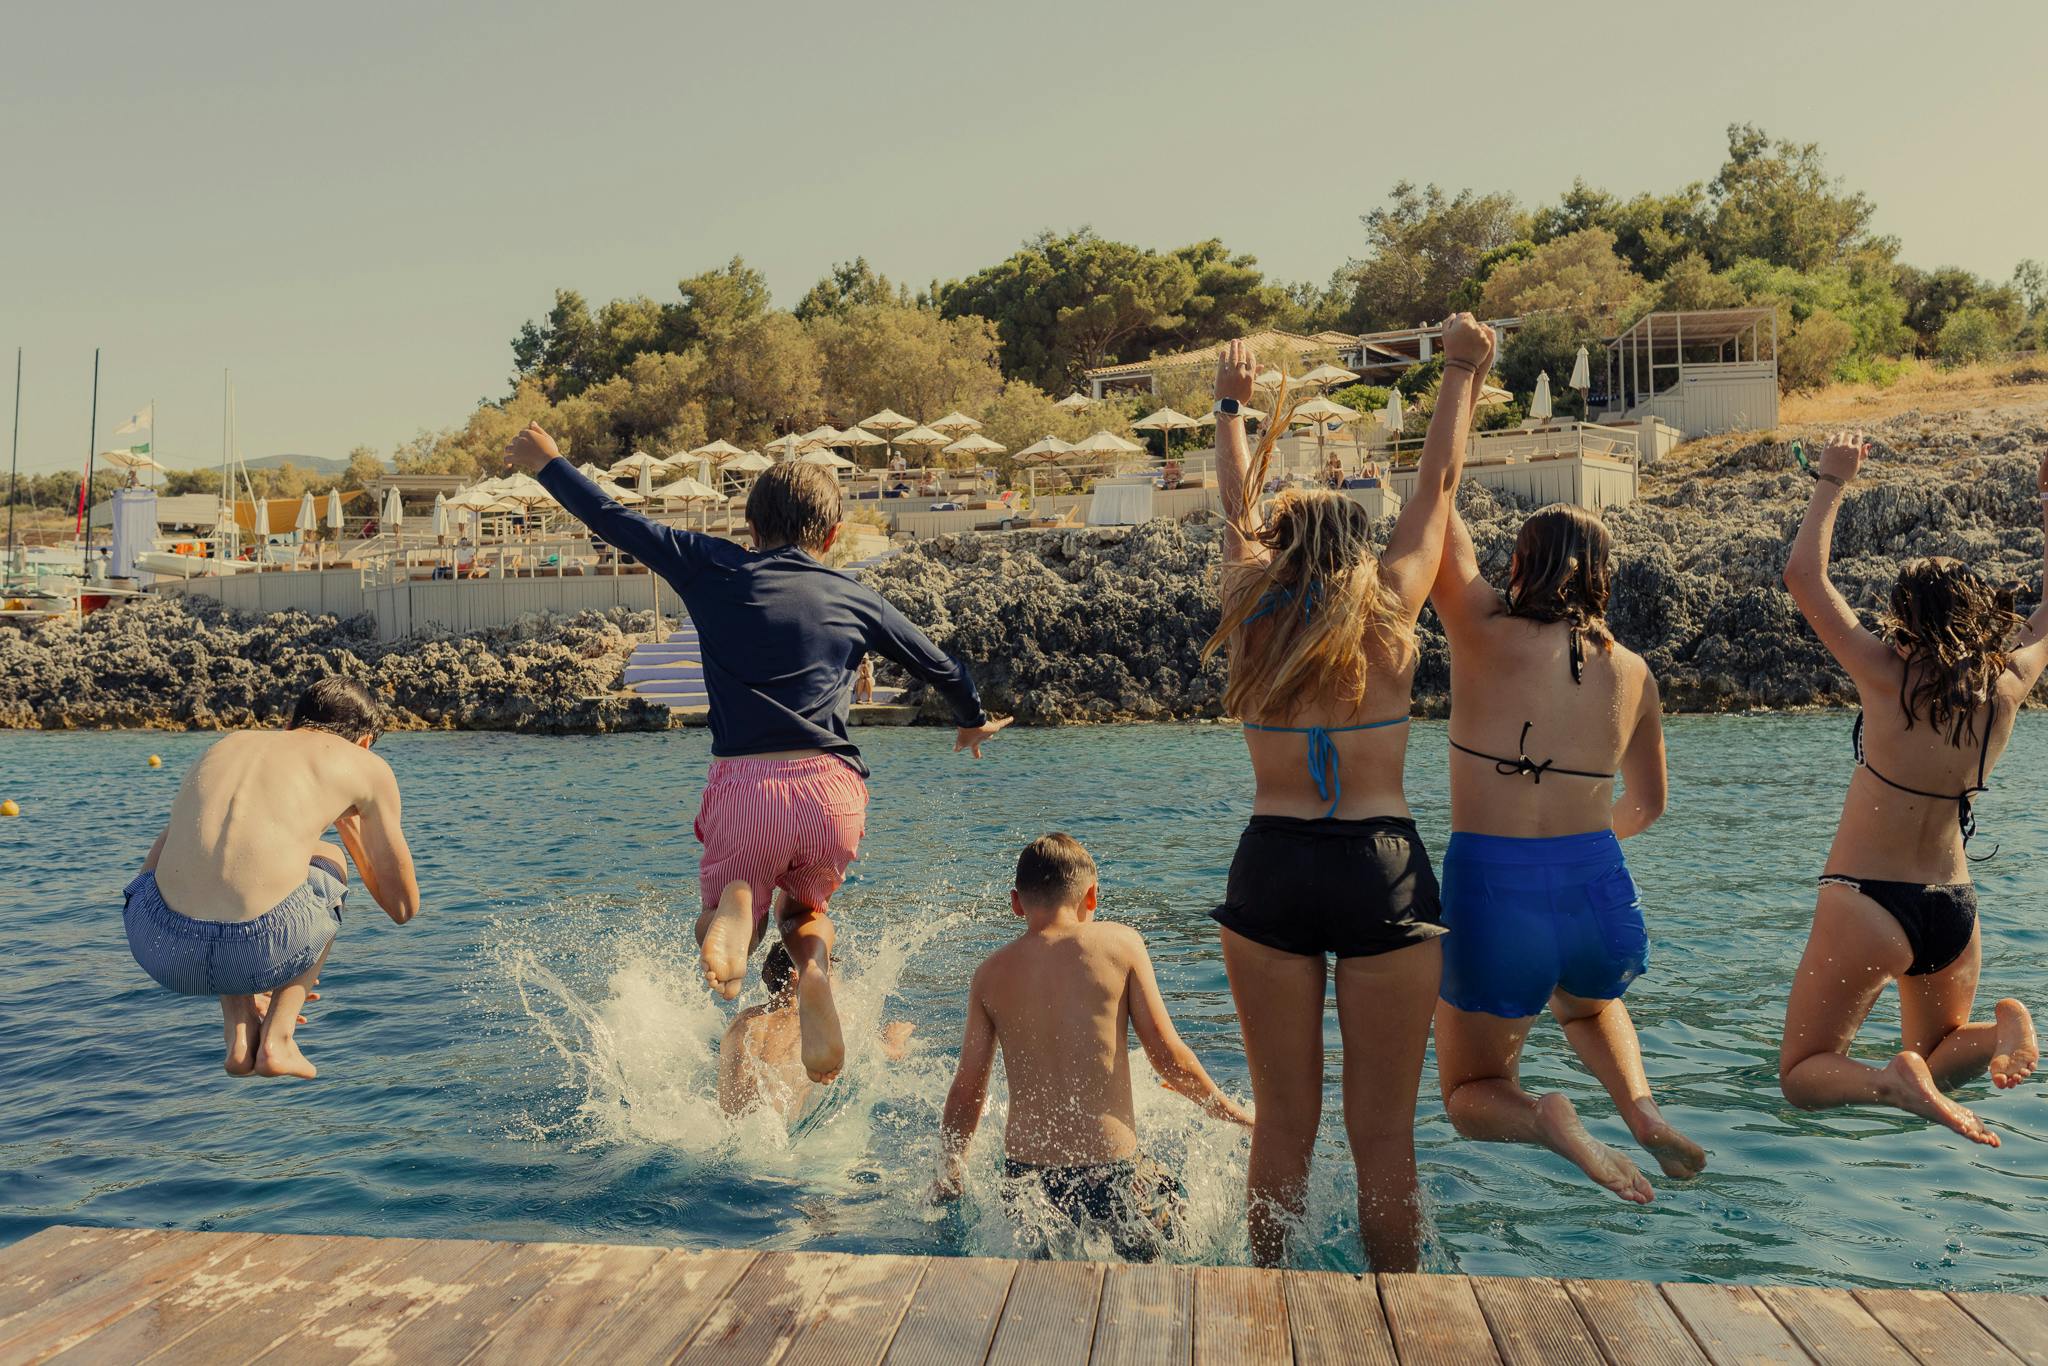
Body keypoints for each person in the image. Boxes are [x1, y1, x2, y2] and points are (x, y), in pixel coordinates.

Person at [506, 423, 1009, 1084]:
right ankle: (815, 971)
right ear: (830, 537)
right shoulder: (854, 597)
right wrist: (971, 720)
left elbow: (616, 520)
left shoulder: (711, 565)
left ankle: (736, 910)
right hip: (833, 790)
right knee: (805, 913)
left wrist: (549, 465)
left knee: (719, 920)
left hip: (749, 789)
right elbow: (942, 665)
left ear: (749, 526)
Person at [1199, 318, 1492, 1270]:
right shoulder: (1392, 607)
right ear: (1357, 544)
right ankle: (1399, 1313)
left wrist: (1232, 405)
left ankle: (1264, 1298)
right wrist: (1458, 372)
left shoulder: (1251, 607)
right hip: (1382, 869)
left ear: (1281, 543)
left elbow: (1233, 513)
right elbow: (1439, 489)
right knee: (1384, 1138)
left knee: (1281, 1126)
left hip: (1274, 861)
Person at [1428, 501, 1705, 1203]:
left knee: (1470, 1092)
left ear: (1522, 563)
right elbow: (1648, 804)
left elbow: (1434, 511)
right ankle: (1641, 1111)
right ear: (1604, 576)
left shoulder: (1481, 630)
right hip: (1595, 885)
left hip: (1495, 888)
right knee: (1584, 1005)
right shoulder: (1635, 672)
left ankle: (1547, 1119)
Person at [1777, 435, 2046, 1143]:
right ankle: (2001, 1029)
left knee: (1805, 1073)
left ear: (1907, 619)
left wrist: (1832, 478)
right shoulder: (2007, 687)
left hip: (1868, 899)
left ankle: (1888, 1084)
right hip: (1954, 910)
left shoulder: (1885, 674)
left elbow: (1804, 576)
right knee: (1941, 1051)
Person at [932, 834, 1251, 1260]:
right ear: (1092, 897)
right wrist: (1229, 1111)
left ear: (1016, 903)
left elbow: (968, 1089)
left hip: (1028, 1185)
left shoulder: (989, 974)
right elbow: (1167, 1056)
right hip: (1113, 1176)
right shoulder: (1120, 945)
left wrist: (950, 1168)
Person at [123, 677, 420, 1080]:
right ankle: (278, 1039)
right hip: (259, 948)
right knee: (326, 855)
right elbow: (403, 906)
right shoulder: (365, 766)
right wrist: (345, 819)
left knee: (206, 850)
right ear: (364, 743)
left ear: (290, 726)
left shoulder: (229, 743)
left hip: (157, 946)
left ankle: (240, 1029)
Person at [716, 942, 914, 1120]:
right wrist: (894, 1039)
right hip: (779, 1149)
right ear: (798, 975)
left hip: (730, 1137)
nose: (831, 980)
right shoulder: (819, 1023)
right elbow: (892, 1054)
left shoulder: (742, 1020)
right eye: (826, 971)